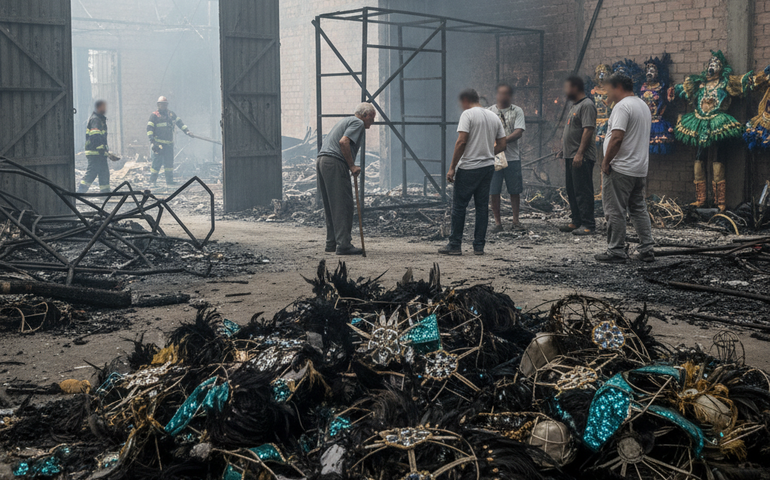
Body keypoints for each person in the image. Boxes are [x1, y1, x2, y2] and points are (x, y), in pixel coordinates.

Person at [439, 89, 507, 256]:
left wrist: (452, 167)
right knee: (482, 207)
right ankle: (479, 246)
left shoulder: (468, 115)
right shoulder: (493, 116)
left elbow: (461, 142)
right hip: (487, 168)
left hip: (469, 167)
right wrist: (488, 153)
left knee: (459, 207)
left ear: (466, 100)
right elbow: (503, 144)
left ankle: (455, 244)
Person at [597, 74, 654, 263]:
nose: (607, 93)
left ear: (618, 86)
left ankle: (616, 251)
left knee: (615, 210)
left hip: (620, 168)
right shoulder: (642, 105)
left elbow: (617, 138)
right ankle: (647, 248)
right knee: (638, 208)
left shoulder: (622, 106)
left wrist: (606, 162)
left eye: (609, 88)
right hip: (639, 168)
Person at [316, 103, 376, 255]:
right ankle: (343, 245)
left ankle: (332, 243)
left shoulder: (346, 120)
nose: (373, 121)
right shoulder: (357, 123)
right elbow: (343, 142)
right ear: (365, 115)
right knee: (343, 204)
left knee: (332, 205)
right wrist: (352, 166)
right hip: (335, 162)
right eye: (372, 117)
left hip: (323, 160)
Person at [559, 75, 598, 235]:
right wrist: (564, 150)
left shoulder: (587, 105)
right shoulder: (575, 106)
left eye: (567, 87)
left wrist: (580, 153)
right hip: (570, 156)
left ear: (575, 88)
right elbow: (572, 130)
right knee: (572, 190)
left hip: (581, 157)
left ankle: (588, 225)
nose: (565, 91)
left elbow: (588, 130)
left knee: (583, 190)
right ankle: (576, 221)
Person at [488, 84, 526, 233]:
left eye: (506, 94)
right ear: (497, 95)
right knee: (494, 190)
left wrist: (502, 141)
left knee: (514, 190)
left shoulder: (517, 111)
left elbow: (518, 132)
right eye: (501, 93)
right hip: (495, 157)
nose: (503, 97)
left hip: (512, 157)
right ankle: (498, 223)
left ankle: (515, 221)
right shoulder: (490, 112)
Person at [146, 96, 192, 187]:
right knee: (156, 164)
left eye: (164, 104)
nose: (163, 106)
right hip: (158, 144)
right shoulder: (154, 115)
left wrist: (187, 131)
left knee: (169, 164)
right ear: (158, 105)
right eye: (161, 104)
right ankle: (152, 181)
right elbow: (149, 128)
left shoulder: (171, 114)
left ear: (167, 105)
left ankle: (169, 182)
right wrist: (152, 141)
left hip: (169, 144)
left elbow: (180, 123)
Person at [78, 100, 111, 193]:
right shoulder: (95, 119)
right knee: (91, 173)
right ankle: (80, 193)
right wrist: (101, 148)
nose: (105, 109)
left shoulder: (100, 119)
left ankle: (105, 193)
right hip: (95, 152)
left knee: (104, 173)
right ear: (99, 108)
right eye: (103, 107)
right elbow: (95, 135)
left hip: (100, 153)